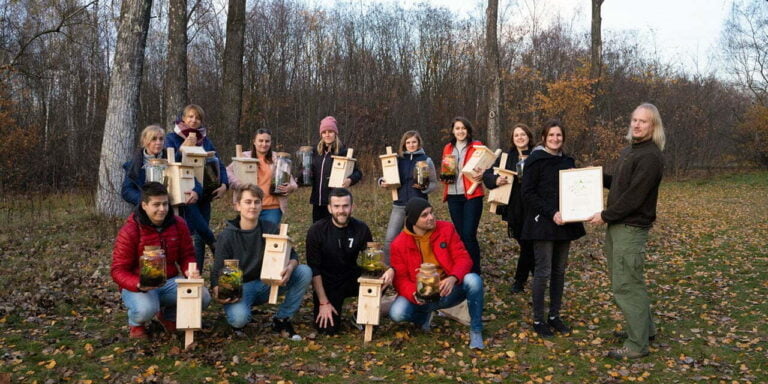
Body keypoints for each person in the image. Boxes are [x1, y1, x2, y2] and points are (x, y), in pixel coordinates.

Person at [587, 103, 665, 360]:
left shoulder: (650, 156)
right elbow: (620, 184)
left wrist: (605, 215)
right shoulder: (631, 151)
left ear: (653, 126)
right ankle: (644, 331)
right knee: (630, 280)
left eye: (643, 121)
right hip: (619, 226)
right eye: (634, 120)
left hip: (630, 227)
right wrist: (595, 177)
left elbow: (633, 197)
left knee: (626, 284)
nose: (637, 124)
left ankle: (636, 345)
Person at [111, 182, 211, 339]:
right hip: (139, 284)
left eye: (165, 204)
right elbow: (117, 270)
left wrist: (189, 271)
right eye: (156, 205)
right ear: (144, 205)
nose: (162, 209)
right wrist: (138, 284)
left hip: (169, 281)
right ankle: (136, 323)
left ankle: (168, 315)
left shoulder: (178, 224)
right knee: (145, 309)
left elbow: (187, 255)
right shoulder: (130, 230)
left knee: (203, 296)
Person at [211, 184, 311, 339]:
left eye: (257, 202)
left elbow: (293, 256)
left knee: (303, 272)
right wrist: (219, 291)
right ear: (237, 206)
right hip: (241, 289)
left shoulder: (270, 228)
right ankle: (239, 315)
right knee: (239, 319)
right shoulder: (227, 236)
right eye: (248, 202)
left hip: (267, 284)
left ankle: (282, 318)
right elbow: (217, 271)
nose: (253, 206)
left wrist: (290, 268)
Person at [388, 197, 485, 349]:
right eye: (425, 215)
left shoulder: (446, 229)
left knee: (474, 280)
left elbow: (464, 258)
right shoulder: (399, 244)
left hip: (448, 290)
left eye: (431, 212)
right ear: (413, 220)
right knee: (397, 313)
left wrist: (453, 277)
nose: (431, 217)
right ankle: (423, 316)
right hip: (422, 293)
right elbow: (400, 279)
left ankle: (476, 330)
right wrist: (415, 293)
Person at [520, 120, 585, 338]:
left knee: (559, 271)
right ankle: (539, 319)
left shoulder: (568, 161)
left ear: (563, 138)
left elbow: (577, 189)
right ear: (544, 138)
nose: (555, 139)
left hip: (566, 223)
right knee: (543, 271)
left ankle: (554, 316)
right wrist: (551, 213)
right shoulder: (535, 161)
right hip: (543, 223)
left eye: (559, 135)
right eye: (551, 136)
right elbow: (527, 193)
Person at [306, 188, 391, 335]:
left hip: (351, 275)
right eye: (336, 206)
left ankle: (362, 314)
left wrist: (388, 269)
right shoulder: (316, 230)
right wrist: (323, 302)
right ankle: (329, 306)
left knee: (383, 278)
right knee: (327, 330)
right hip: (327, 282)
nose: (341, 210)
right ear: (329, 208)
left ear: (352, 207)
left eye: (345, 206)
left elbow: (372, 259)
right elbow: (314, 269)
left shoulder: (361, 229)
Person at [121, 125, 215, 250]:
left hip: (174, 208)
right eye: (154, 139)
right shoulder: (134, 165)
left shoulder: (172, 158)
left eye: (161, 139)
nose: (158, 142)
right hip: (148, 211)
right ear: (145, 141)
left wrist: (195, 192)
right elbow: (126, 191)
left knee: (184, 239)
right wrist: (145, 200)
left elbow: (193, 179)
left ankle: (214, 245)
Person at [164, 104, 229, 269]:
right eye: (190, 116)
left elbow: (217, 163)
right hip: (183, 191)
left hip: (205, 192)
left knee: (199, 235)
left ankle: (197, 274)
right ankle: (213, 243)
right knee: (190, 234)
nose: (193, 120)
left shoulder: (205, 141)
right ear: (183, 118)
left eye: (197, 118)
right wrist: (184, 146)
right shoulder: (171, 138)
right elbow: (170, 163)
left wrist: (224, 184)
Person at [483, 123, 535, 293]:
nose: (520, 137)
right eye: (516, 135)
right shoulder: (507, 157)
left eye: (523, 134)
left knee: (528, 244)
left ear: (529, 137)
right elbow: (487, 175)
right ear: (513, 139)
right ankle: (535, 276)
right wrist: (496, 180)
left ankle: (520, 282)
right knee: (526, 244)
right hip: (515, 208)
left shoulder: (537, 154)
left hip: (534, 207)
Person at [378, 130, 438, 258]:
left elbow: (434, 183)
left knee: (420, 239)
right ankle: (388, 269)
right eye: (408, 142)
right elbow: (387, 176)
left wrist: (424, 188)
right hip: (399, 204)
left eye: (414, 142)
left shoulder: (426, 160)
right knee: (390, 239)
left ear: (419, 143)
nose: (411, 145)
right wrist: (382, 181)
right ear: (404, 144)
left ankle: (424, 269)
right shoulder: (398, 160)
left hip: (419, 207)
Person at [226, 128, 298, 225]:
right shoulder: (244, 157)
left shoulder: (278, 158)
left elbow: (291, 179)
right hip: (249, 206)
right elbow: (227, 172)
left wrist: (291, 187)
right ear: (254, 142)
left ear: (270, 142)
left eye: (267, 141)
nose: (264, 144)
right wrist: (239, 184)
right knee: (249, 236)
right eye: (260, 141)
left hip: (272, 208)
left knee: (267, 237)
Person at [441, 117, 485, 274]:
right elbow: (446, 171)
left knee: (469, 234)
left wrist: (483, 174)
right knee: (460, 235)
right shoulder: (448, 148)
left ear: (468, 130)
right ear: (453, 131)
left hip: (472, 195)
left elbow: (487, 163)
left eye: (463, 128)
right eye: (457, 128)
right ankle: (463, 270)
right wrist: (444, 176)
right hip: (453, 195)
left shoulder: (477, 146)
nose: (460, 131)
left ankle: (475, 272)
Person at [309, 116, 362, 223]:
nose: (327, 135)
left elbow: (358, 173)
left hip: (337, 201)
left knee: (335, 230)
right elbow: (305, 172)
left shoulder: (343, 152)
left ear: (335, 133)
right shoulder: (315, 152)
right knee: (318, 230)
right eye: (324, 132)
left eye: (330, 131)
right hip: (318, 201)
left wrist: (349, 180)